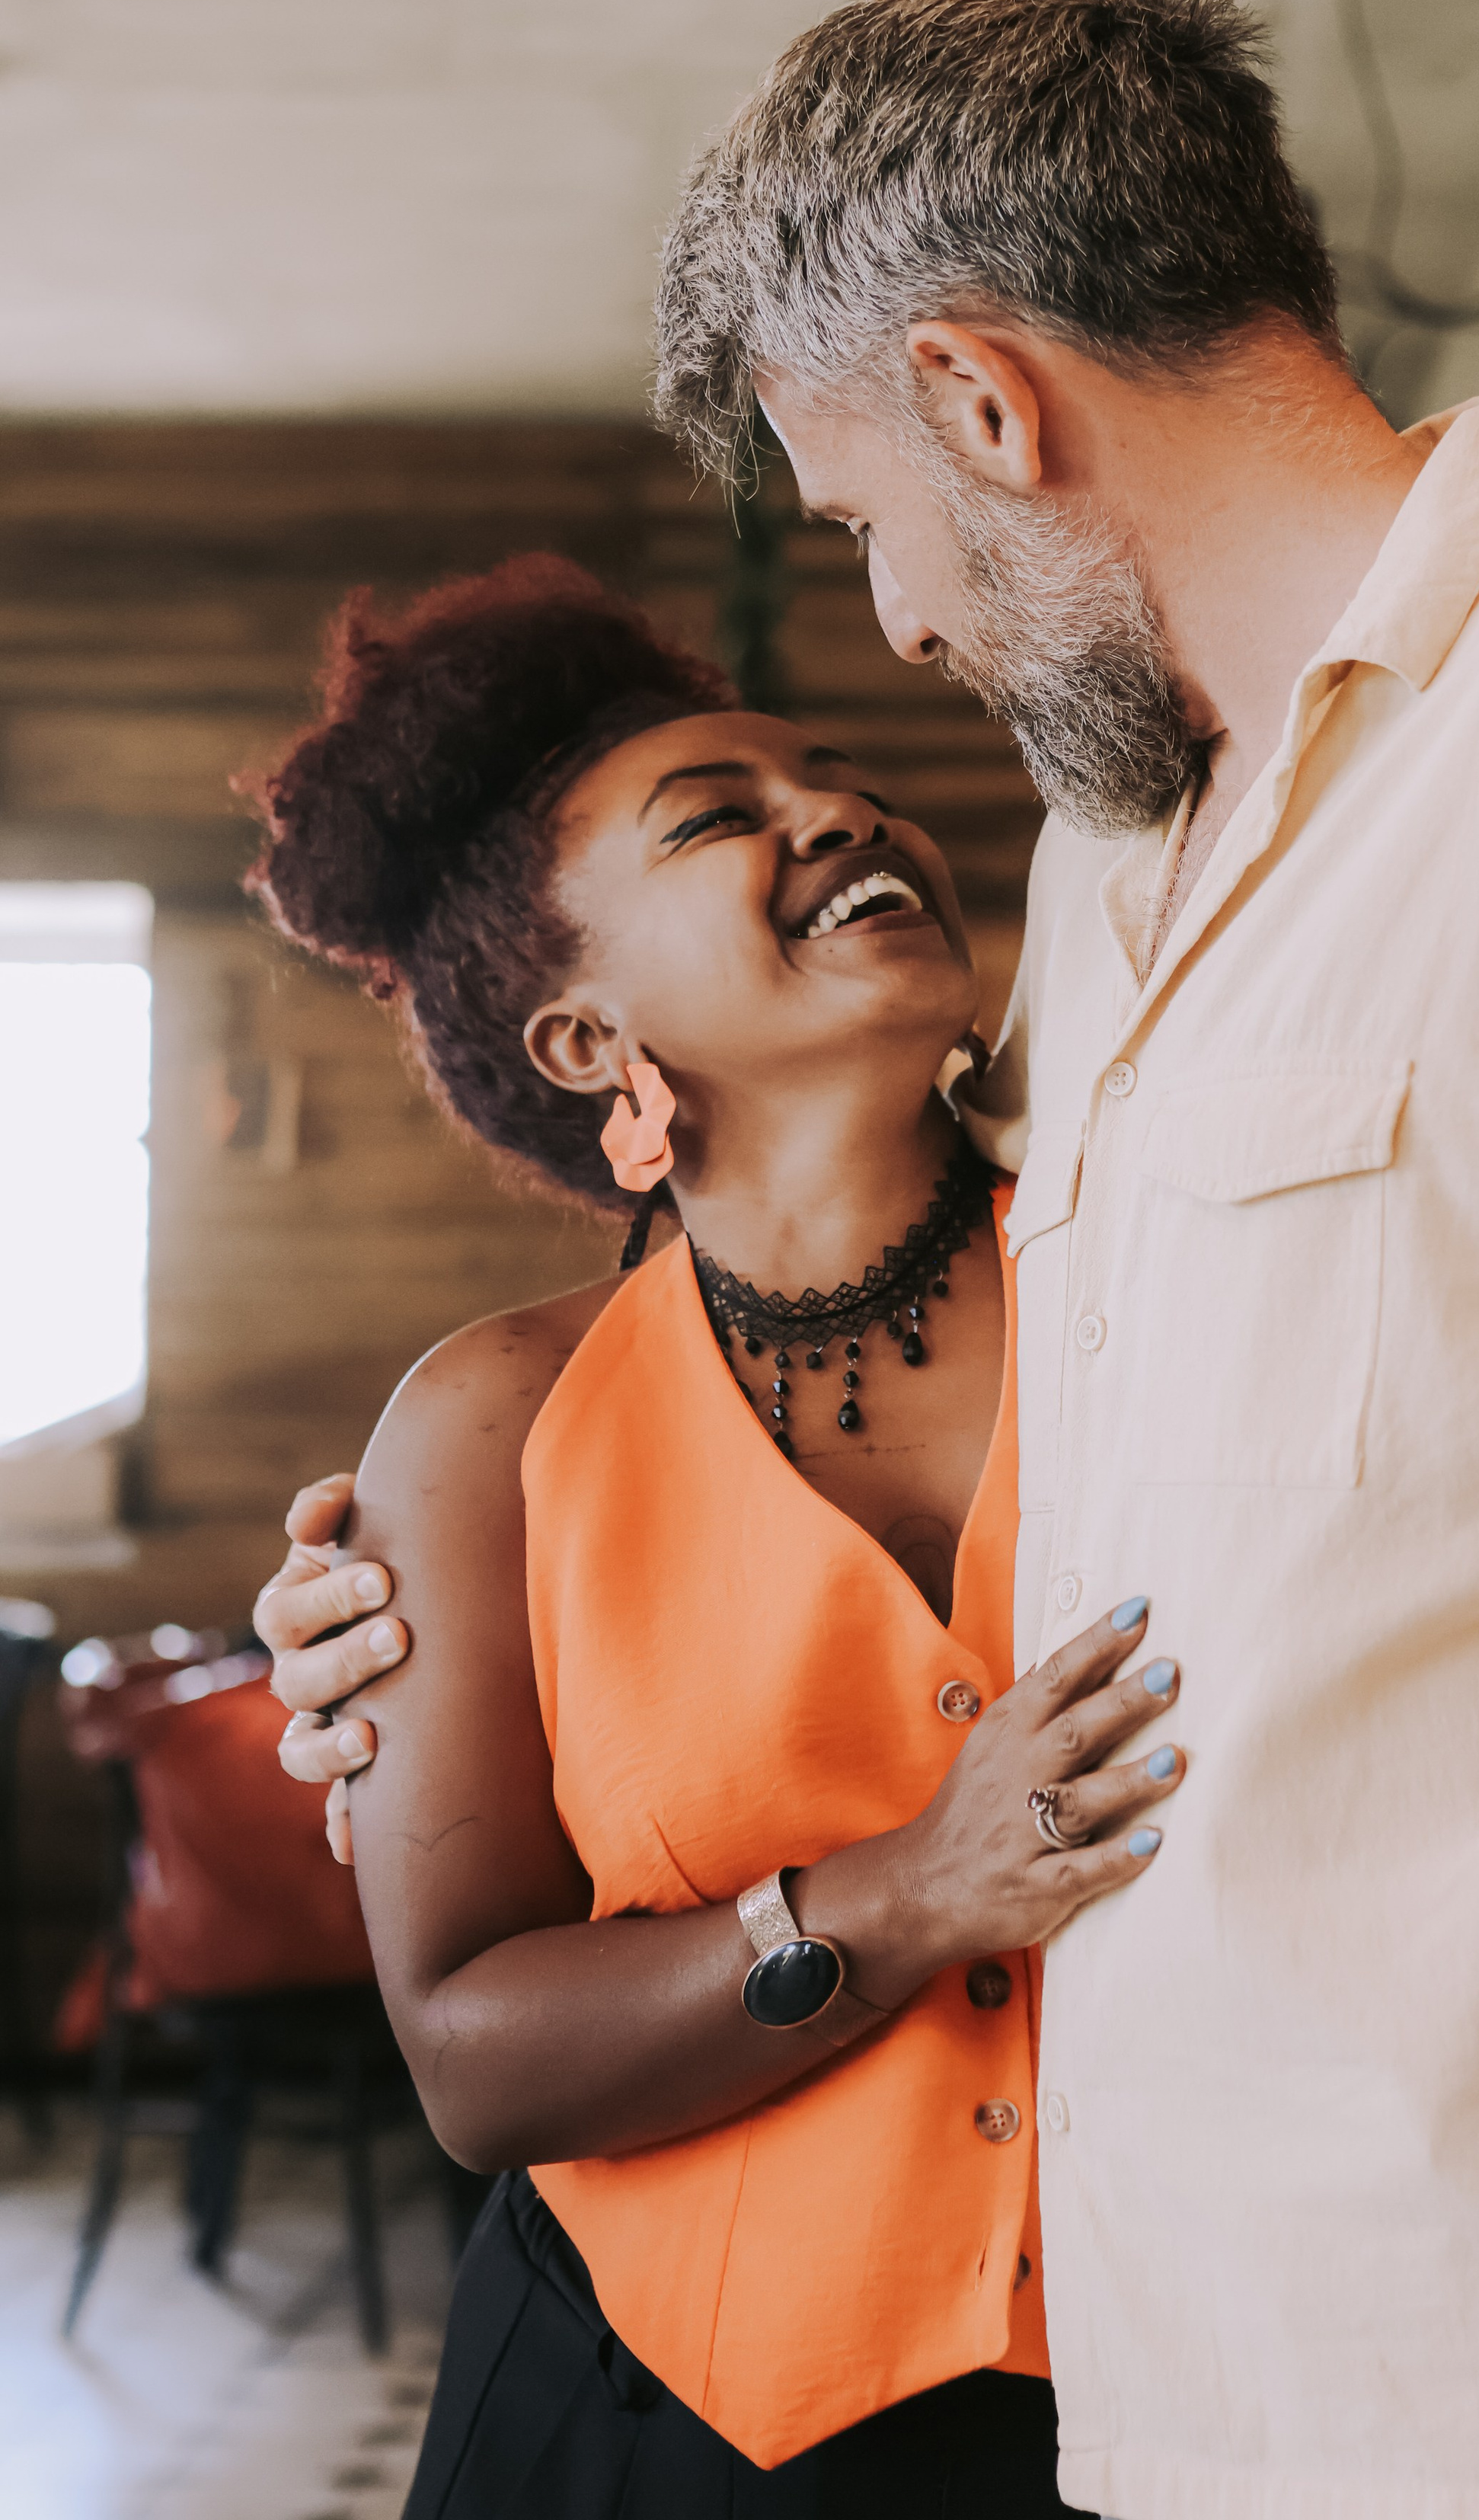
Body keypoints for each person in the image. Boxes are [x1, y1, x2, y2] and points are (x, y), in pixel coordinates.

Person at [261, 0, 1479, 2520]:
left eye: (864, 522)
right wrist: (384, 1617)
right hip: (1181, 2408)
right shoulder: (1123, 873)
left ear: (981, 401)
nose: (903, 627)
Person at [244, 553, 1187, 2518]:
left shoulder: (1160, 1271)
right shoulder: (493, 1425)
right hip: (650, 2430)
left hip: (1175, 2394)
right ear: (586, 1042)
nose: (839, 813)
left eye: (842, 781)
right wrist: (911, 1891)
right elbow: (472, 2059)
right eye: (717, 818)